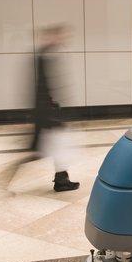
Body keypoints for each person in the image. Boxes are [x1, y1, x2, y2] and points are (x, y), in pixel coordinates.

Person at [32, 25, 79, 192]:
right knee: (55, 147)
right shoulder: (45, 57)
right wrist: (53, 113)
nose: (61, 39)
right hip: (48, 112)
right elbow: (45, 87)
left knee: (58, 146)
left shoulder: (46, 55)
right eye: (58, 36)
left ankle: (61, 179)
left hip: (49, 110)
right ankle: (61, 181)